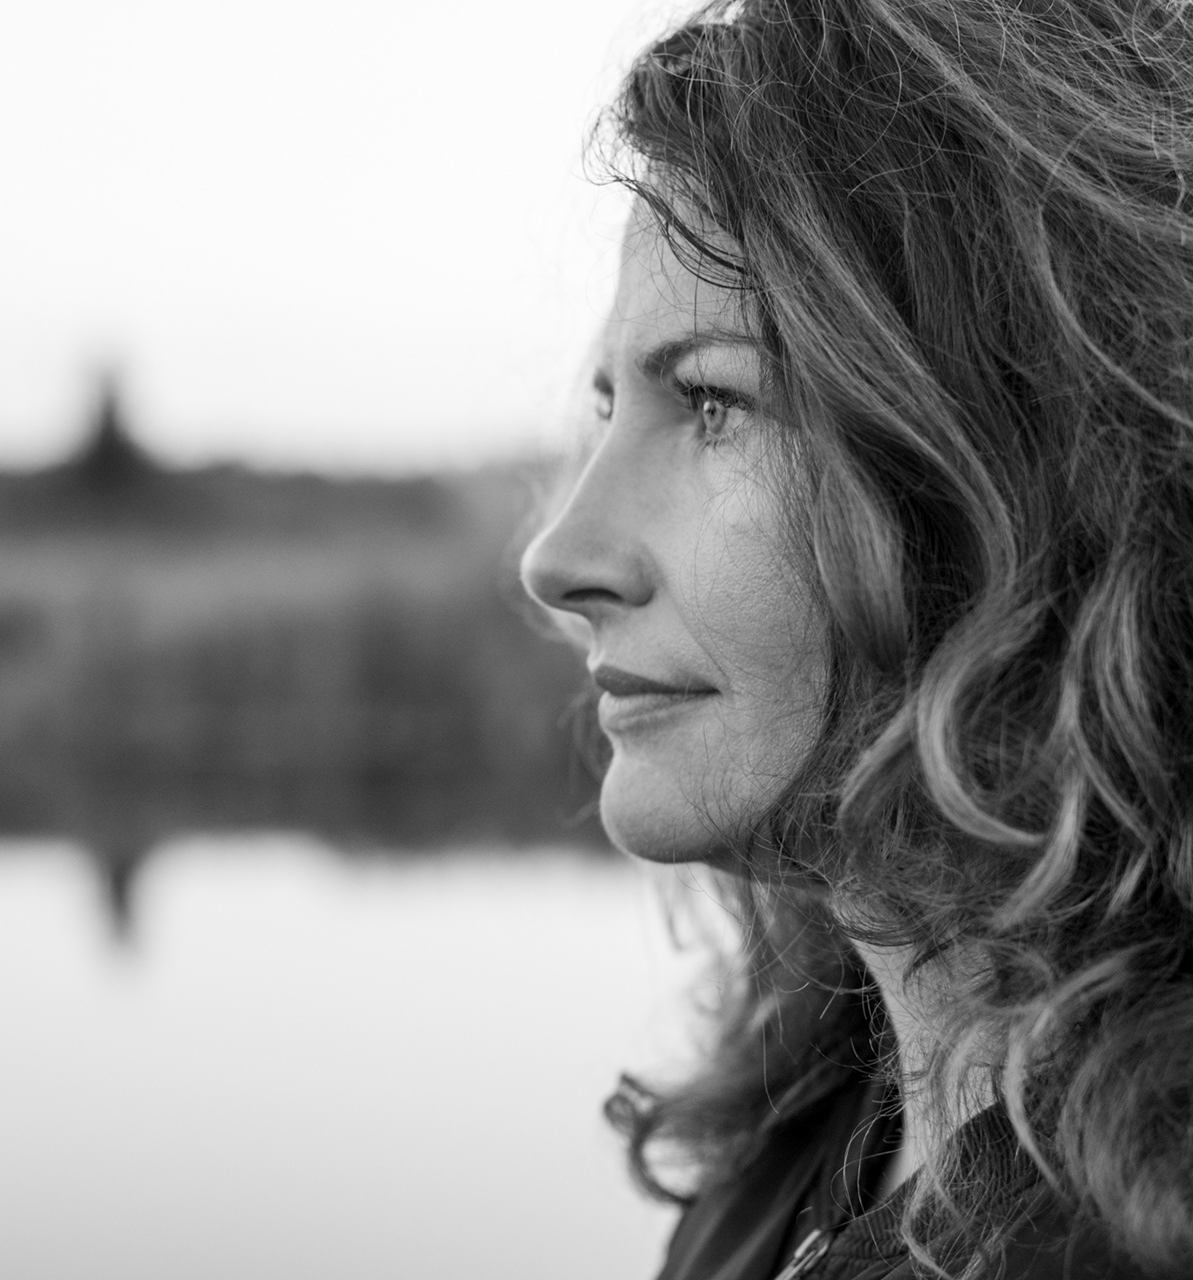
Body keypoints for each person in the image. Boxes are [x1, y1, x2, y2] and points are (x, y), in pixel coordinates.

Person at [520, 0, 1193, 1276]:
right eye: (608, 407)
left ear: (1026, 469)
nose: (559, 557)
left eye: (711, 399)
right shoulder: (804, 1136)